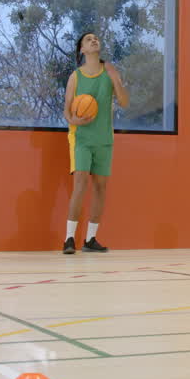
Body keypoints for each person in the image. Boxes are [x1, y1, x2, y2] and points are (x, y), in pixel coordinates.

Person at [61, 32, 129, 254]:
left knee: (100, 188)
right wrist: (74, 119)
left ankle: (91, 239)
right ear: (82, 49)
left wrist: (115, 78)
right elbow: (66, 111)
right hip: (81, 137)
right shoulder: (75, 76)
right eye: (88, 39)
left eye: (96, 38)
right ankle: (69, 238)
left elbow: (125, 102)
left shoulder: (109, 73)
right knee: (80, 182)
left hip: (104, 139)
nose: (93, 40)